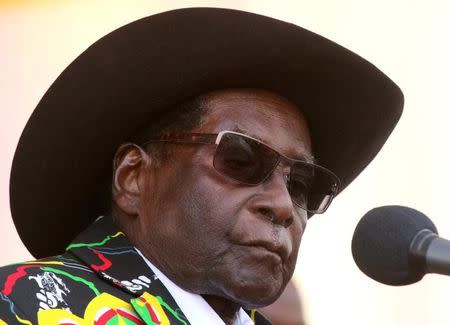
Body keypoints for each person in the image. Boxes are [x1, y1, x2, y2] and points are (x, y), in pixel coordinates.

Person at [0, 7, 403, 325]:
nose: (282, 206)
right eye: (240, 159)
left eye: (300, 184)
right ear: (133, 179)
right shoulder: (21, 307)